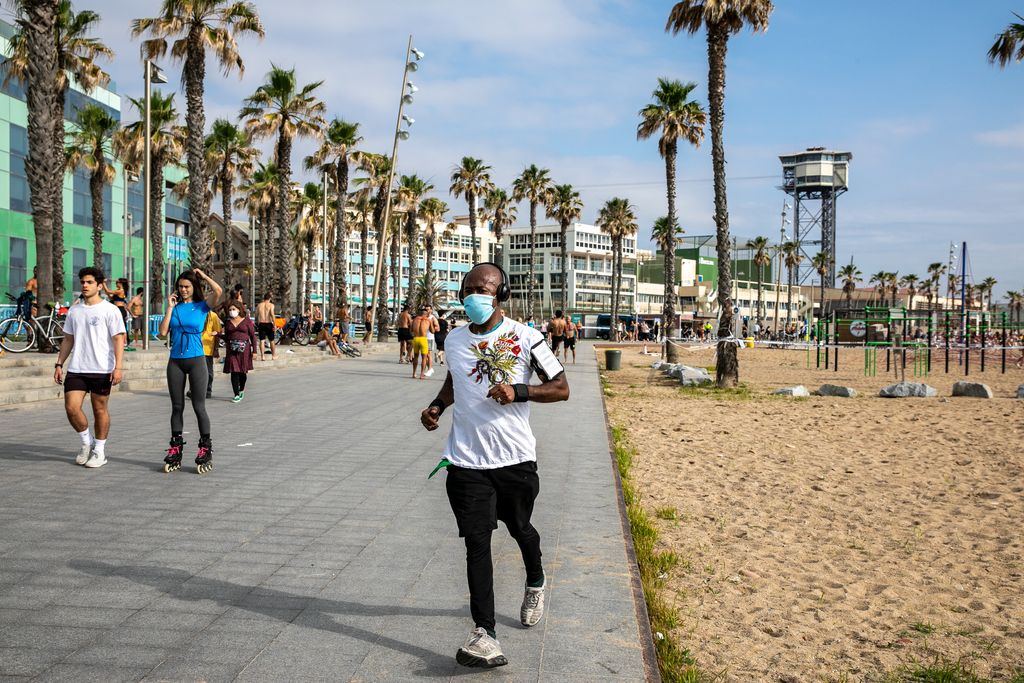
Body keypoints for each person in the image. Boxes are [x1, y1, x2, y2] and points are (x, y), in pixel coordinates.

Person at [420, 262, 569, 669]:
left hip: (515, 459)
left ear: (501, 295)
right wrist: (437, 406)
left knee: (521, 528)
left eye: (483, 290)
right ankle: (485, 633)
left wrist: (519, 391)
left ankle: (535, 580)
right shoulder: (454, 339)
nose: (474, 297)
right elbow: (456, 380)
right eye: (468, 289)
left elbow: (561, 388)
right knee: (477, 542)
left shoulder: (527, 337)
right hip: (466, 460)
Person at [53, 267, 125, 469]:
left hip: (102, 369)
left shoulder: (110, 310)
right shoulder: (75, 311)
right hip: (77, 368)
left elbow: (118, 339)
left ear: (99, 286)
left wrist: (118, 367)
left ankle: (99, 451)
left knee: (99, 409)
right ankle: (87, 442)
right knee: (71, 408)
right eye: (83, 282)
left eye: (89, 282)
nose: (85, 285)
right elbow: (68, 339)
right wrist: (59, 363)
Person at [158, 268, 223, 474]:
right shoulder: (175, 308)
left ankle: (205, 448)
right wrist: (169, 308)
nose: (183, 290)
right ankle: (176, 448)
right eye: (180, 286)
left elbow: (218, 291)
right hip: (175, 361)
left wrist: (203, 276)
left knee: (198, 406)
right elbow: (162, 332)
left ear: (194, 287)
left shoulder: (202, 306)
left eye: (187, 286)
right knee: (177, 407)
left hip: (196, 360)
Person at [222, 300, 256, 402]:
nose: (232, 311)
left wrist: (254, 351)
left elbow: (253, 336)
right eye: (230, 309)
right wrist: (217, 334)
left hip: (244, 350)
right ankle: (236, 394)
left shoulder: (247, 321)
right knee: (234, 371)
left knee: (242, 372)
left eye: (234, 309)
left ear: (239, 309)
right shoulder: (228, 322)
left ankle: (241, 389)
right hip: (231, 350)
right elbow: (226, 337)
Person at [188, 310, 222, 399]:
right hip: (195, 348)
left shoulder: (213, 316)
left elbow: (218, 333)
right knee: (193, 371)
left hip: (207, 349)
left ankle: (207, 390)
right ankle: (193, 390)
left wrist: (216, 348)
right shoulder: (195, 313)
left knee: (208, 371)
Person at [410, 306, 433, 380]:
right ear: (426, 314)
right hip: (423, 339)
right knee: (424, 358)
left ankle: (414, 373)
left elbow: (411, 330)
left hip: (416, 339)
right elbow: (432, 331)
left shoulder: (414, 320)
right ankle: (422, 374)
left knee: (416, 356)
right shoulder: (428, 320)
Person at [255, 292, 277, 361]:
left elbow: (256, 315)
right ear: (270, 298)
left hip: (261, 324)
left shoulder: (259, 305)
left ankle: (262, 356)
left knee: (262, 340)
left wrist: (257, 323)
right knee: (272, 340)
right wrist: (275, 325)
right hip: (269, 323)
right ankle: (273, 356)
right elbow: (272, 314)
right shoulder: (271, 305)